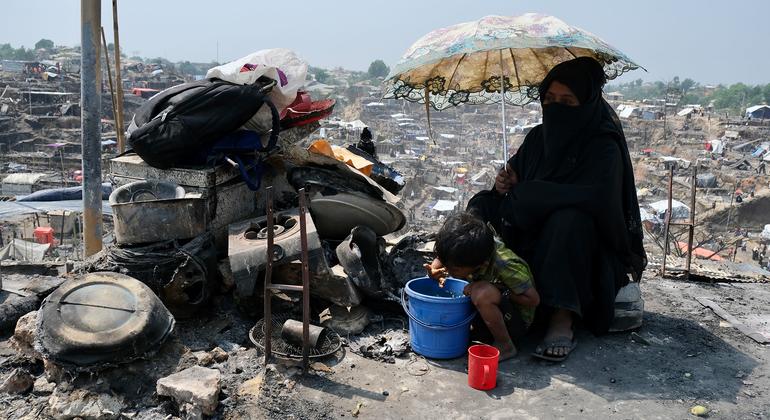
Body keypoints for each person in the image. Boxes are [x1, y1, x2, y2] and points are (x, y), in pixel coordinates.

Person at [467, 57, 646, 361]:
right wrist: (506, 184)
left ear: (587, 103)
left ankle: (563, 316)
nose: (556, 107)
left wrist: (535, 194)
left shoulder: (603, 146)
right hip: (531, 230)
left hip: (581, 249)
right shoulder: (539, 137)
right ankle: (485, 285)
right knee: (480, 205)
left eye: (567, 101)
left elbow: (597, 200)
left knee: (568, 221)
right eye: (549, 99)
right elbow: (516, 186)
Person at [424, 212, 540, 360]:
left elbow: (533, 300)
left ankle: (505, 345)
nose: (449, 271)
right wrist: (435, 270)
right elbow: (443, 257)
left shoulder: (505, 264)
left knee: (482, 292)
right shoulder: (466, 251)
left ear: (478, 263)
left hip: (513, 322)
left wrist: (498, 290)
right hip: (488, 314)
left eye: (454, 269)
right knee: (478, 290)